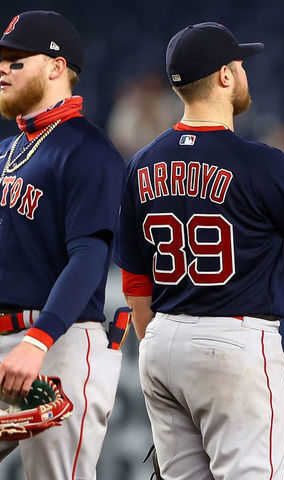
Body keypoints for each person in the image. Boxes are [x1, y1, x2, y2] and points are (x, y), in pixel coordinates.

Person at [113, 22, 284, 480]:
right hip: (233, 343)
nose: (245, 72)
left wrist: (168, 348)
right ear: (225, 76)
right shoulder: (259, 162)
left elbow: (134, 283)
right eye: (239, 64)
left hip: (162, 343)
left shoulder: (141, 162)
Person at [0, 10, 125, 479]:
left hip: (60, 342)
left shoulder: (87, 149)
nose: (2, 69)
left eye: (16, 60)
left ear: (56, 68)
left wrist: (38, 340)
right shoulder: (7, 151)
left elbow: (90, 256)